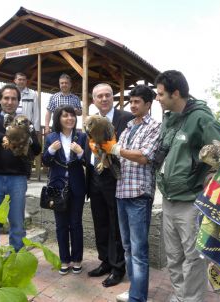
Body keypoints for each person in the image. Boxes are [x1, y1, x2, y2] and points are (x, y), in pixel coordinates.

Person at [154, 70, 220, 302]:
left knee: (193, 258)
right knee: (173, 256)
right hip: (169, 198)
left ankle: (192, 299)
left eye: (161, 94)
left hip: (191, 202)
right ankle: (179, 294)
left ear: (175, 93)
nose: (157, 98)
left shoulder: (201, 118)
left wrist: (210, 179)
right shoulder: (170, 118)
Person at [101, 85, 161, 302]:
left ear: (148, 104)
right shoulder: (126, 128)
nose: (133, 105)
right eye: (131, 101)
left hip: (139, 194)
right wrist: (104, 154)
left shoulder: (155, 127)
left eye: (138, 101)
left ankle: (138, 298)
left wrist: (115, 150)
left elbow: (145, 156)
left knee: (139, 250)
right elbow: (118, 157)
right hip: (121, 192)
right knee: (127, 248)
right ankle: (135, 291)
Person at [0, 84, 41, 252]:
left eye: (13, 98)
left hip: (17, 178)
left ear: (18, 102)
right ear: (0, 100)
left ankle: (16, 260)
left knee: (17, 223)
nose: (10, 102)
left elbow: (37, 149)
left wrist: (26, 137)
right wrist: (6, 137)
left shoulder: (25, 122)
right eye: (6, 98)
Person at [85, 83, 133, 287]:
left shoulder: (126, 118)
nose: (104, 99)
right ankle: (105, 261)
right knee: (100, 222)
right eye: (99, 96)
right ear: (93, 100)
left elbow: (129, 148)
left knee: (116, 225)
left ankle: (117, 267)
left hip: (115, 179)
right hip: (95, 178)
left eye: (107, 95)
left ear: (113, 97)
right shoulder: (90, 120)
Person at [42, 105, 87, 275]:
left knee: (76, 224)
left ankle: (77, 259)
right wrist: (51, 150)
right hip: (57, 187)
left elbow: (87, 162)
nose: (70, 118)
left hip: (76, 186)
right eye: (65, 115)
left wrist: (81, 152)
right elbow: (46, 161)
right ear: (58, 119)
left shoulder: (81, 136)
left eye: (72, 115)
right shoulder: (51, 137)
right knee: (61, 225)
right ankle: (64, 259)